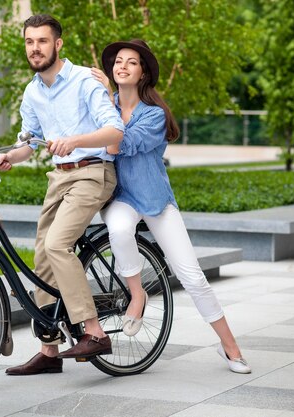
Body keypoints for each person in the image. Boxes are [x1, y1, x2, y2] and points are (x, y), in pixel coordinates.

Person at [92, 39, 252, 374]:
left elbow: (120, 144)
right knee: (119, 228)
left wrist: (105, 105)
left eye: (131, 62)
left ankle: (230, 346)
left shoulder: (154, 116)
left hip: (154, 200)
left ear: (143, 72)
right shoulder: (102, 107)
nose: (121, 66)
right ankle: (138, 295)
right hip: (120, 197)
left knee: (193, 277)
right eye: (118, 61)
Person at [0, 15, 125, 375]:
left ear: (58, 44)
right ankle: (49, 352)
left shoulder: (84, 80)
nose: (34, 48)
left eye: (41, 41)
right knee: (42, 259)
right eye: (28, 42)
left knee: (57, 245)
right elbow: (29, 142)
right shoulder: (32, 91)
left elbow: (115, 131)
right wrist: (10, 156)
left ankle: (95, 331)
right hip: (59, 178)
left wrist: (74, 141)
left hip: (93, 173)